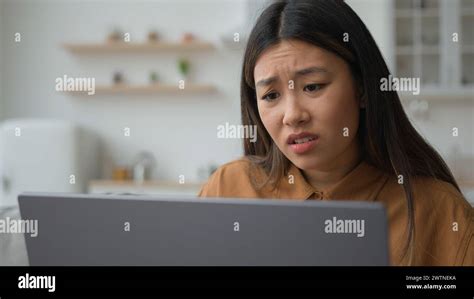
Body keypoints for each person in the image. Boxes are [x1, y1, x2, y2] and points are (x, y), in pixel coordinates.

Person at [198, 0, 473, 266]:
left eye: (313, 86)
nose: (292, 115)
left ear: (362, 88)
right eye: (270, 95)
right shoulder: (228, 189)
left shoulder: (441, 213)